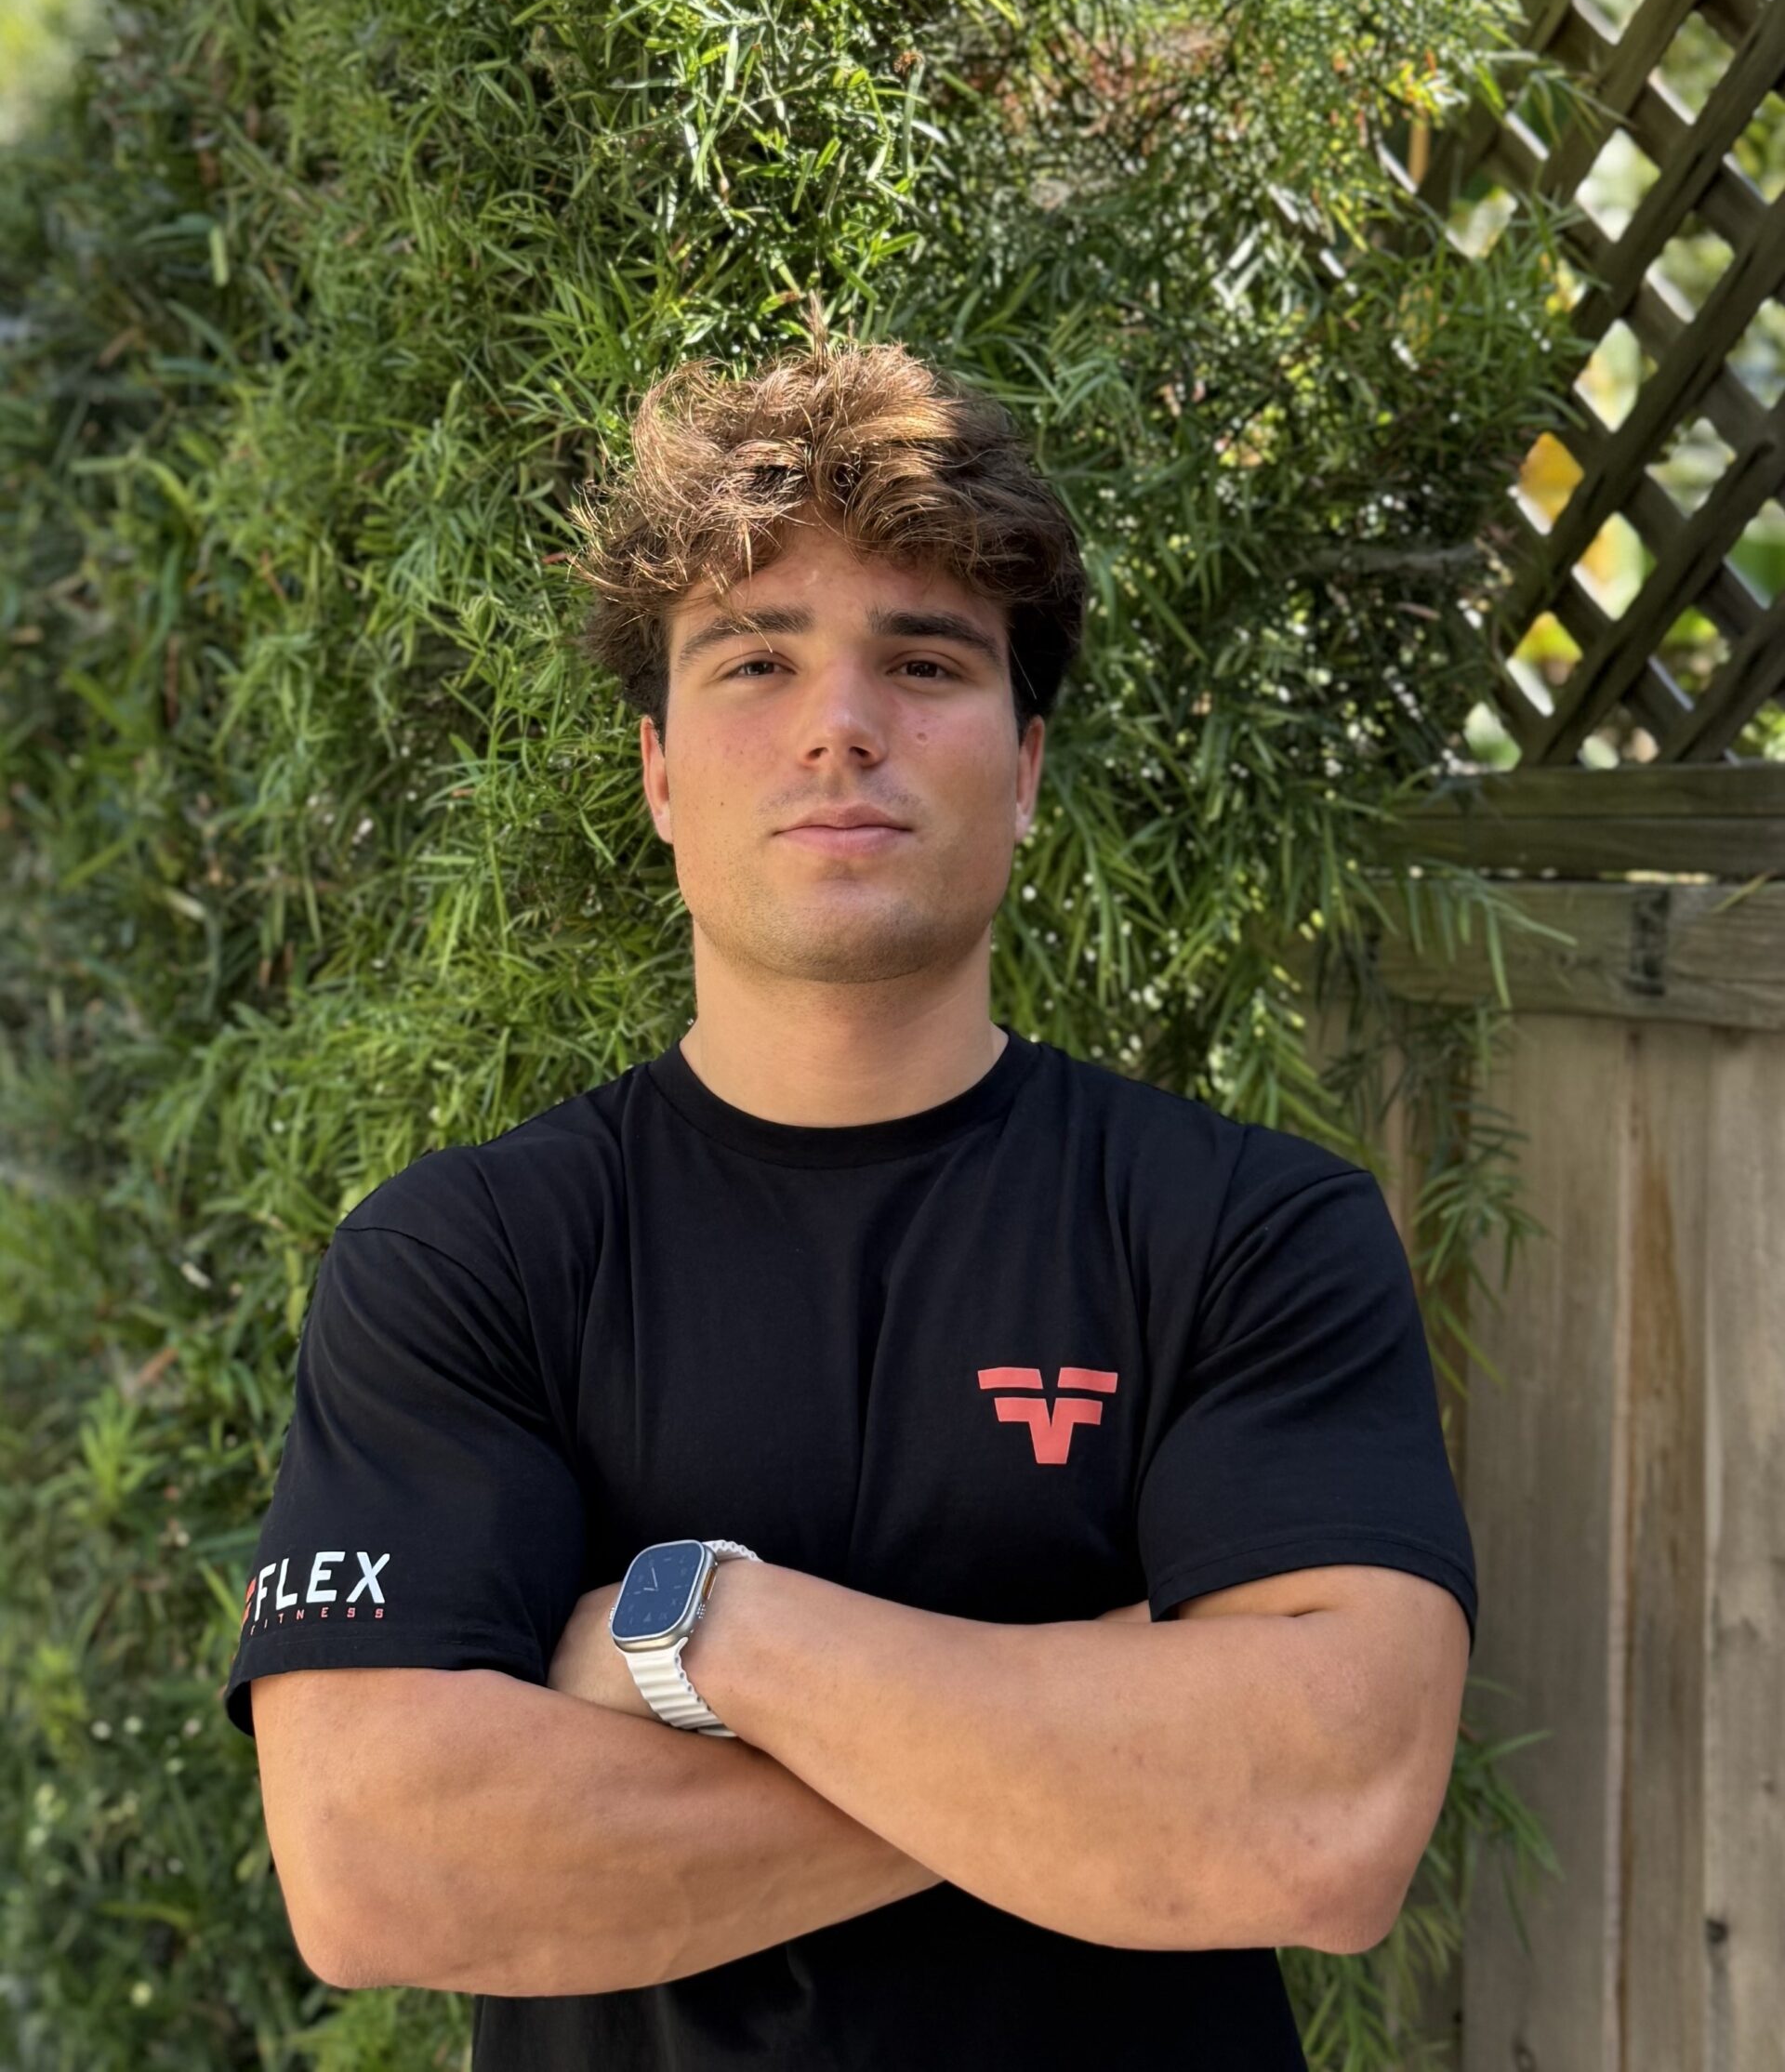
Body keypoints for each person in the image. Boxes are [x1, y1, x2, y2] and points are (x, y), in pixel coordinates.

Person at [225, 332, 1476, 2070]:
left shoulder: (1250, 1235)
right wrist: (1099, 1750)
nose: (839, 726)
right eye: (756, 661)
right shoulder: (466, 1260)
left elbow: (1322, 1822)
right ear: (661, 776)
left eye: (925, 661)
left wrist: (706, 1632)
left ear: (1023, 769)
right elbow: (382, 1869)